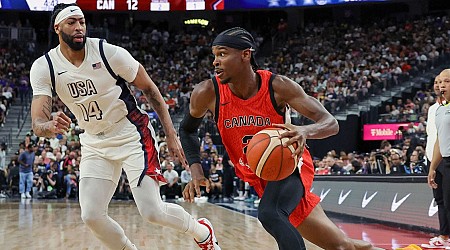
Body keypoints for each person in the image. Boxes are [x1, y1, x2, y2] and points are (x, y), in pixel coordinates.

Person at [30, 3, 220, 250]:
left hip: (132, 133)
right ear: (57, 27)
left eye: (82, 22)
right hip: (94, 140)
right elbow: (38, 123)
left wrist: (171, 134)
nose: (79, 27)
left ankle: (202, 232)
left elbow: (150, 89)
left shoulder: (107, 52)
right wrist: (48, 126)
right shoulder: (44, 66)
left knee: (152, 211)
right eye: (72, 22)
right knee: (91, 215)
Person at [180, 27, 374, 250]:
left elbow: (330, 123)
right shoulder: (207, 92)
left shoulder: (277, 86)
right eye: (214, 55)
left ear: (245, 54)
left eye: (222, 54)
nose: (215, 61)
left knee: (270, 214)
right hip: (260, 175)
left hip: (290, 164)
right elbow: (186, 130)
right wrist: (196, 171)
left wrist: (304, 131)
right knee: (340, 246)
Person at [425, 72, 450, 248]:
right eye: (438, 82)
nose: (440, 85)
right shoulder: (438, 109)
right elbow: (438, 140)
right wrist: (432, 167)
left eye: (446, 81)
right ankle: (444, 236)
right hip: (441, 158)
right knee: (444, 201)